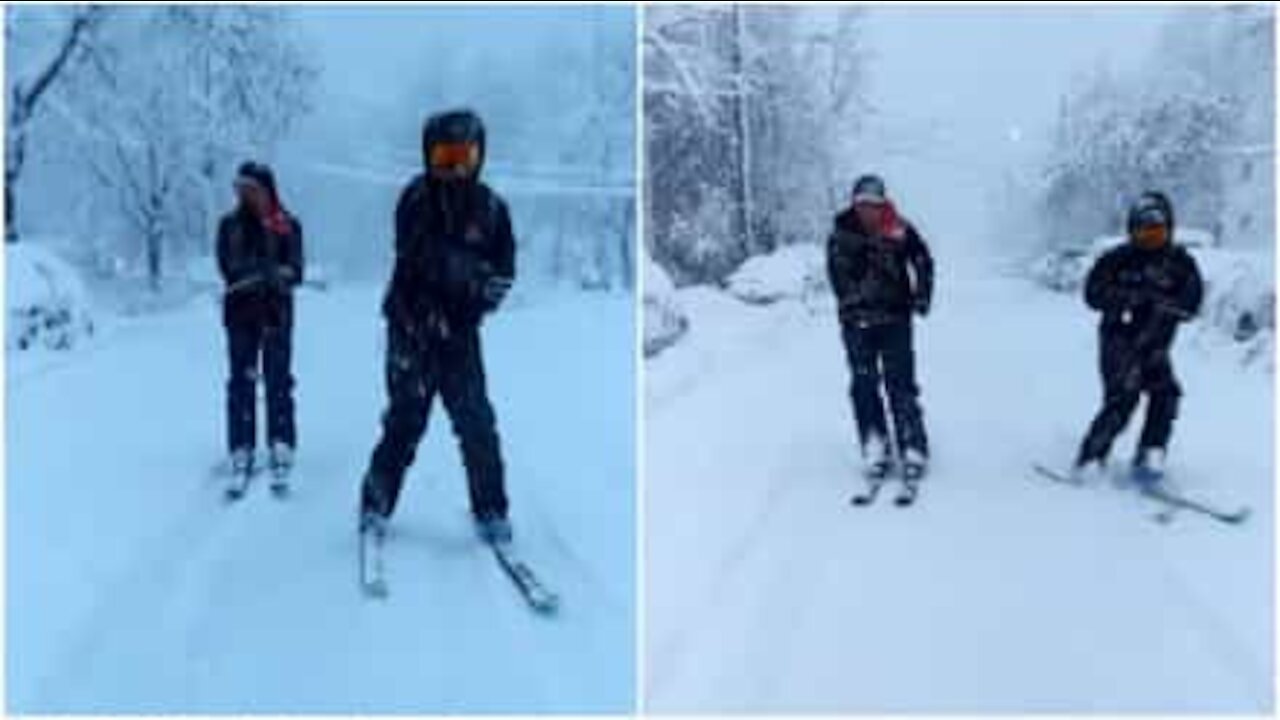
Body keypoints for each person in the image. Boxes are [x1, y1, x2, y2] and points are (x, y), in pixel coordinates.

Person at [359, 108, 516, 545]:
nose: (455, 168)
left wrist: (482, 296)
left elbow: (504, 270)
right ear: (428, 156)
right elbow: (417, 256)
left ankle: (491, 510)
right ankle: (375, 503)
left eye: (464, 157)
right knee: (405, 420)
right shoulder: (416, 199)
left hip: (460, 335)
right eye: (445, 157)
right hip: (411, 328)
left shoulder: (491, 209)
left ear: (480, 156)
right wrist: (463, 276)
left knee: (476, 422)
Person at [1074, 191, 1203, 487]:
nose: (1151, 237)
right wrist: (1132, 299)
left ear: (1169, 229)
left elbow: (1192, 302)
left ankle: (1149, 456)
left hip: (1156, 344)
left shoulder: (1180, 263)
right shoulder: (1117, 260)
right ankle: (1091, 458)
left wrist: (1172, 306)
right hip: (1118, 340)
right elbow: (1093, 294)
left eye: (1158, 231)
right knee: (1124, 397)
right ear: (1132, 230)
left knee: (1166, 395)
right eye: (1144, 231)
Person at [826, 174, 934, 482]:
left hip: (895, 320)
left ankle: (913, 446)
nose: (868, 211)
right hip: (857, 323)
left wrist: (922, 295)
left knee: (900, 384)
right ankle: (875, 447)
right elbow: (837, 276)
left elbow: (922, 258)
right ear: (854, 204)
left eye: (874, 205)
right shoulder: (842, 233)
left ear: (883, 204)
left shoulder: (898, 228)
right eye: (862, 205)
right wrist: (854, 301)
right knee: (864, 385)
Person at [216, 161, 304, 491]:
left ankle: (281, 440)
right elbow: (228, 267)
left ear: (267, 189)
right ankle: (241, 444)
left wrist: (276, 275)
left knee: (278, 377)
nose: (245, 195)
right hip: (240, 314)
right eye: (241, 189)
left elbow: (296, 269)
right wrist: (257, 272)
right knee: (241, 380)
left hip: (276, 313)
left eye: (251, 188)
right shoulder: (229, 226)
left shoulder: (288, 226)